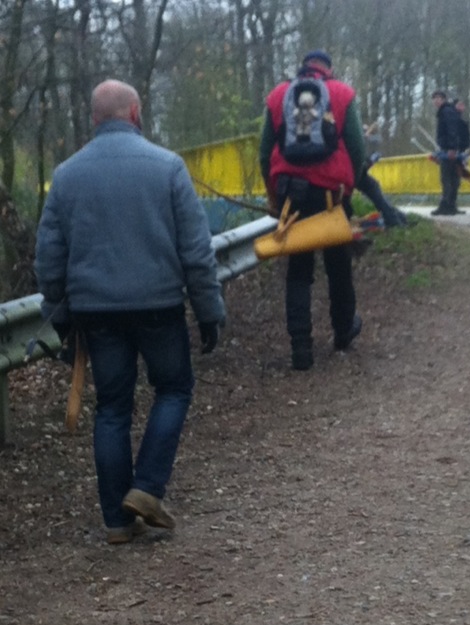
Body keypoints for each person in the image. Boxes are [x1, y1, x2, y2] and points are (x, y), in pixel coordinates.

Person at [34, 79, 226, 544]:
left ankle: (117, 521)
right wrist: (208, 310)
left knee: (112, 407)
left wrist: (59, 313)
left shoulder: (66, 175)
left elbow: (49, 258)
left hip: (96, 311)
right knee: (174, 388)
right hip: (159, 304)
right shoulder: (168, 167)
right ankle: (147, 487)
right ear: (136, 113)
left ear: (94, 118)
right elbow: (196, 251)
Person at [259, 50, 366, 370]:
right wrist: (350, 186)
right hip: (332, 193)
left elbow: (264, 153)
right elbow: (357, 147)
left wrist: (273, 196)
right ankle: (343, 331)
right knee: (338, 264)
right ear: (328, 69)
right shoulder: (342, 93)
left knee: (298, 270)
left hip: (291, 195)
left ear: (303, 67)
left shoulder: (278, 96)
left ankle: (301, 348)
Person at [356, 124, 407, 228]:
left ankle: (394, 217)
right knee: (372, 187)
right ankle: (394, 219)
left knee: (373, 186)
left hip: (355, 170)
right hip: (351, 170)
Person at [430, 90, 466, 216]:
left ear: (444, 99)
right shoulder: (449, 111)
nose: (436, 101)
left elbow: (452, 130)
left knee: (447, 177)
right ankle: (451, 205)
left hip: (449, 149)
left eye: (439, 98)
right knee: (453, 177)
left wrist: (451, 148)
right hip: (450, 148)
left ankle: (446, 205)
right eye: (434, 99)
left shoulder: (446, 111)